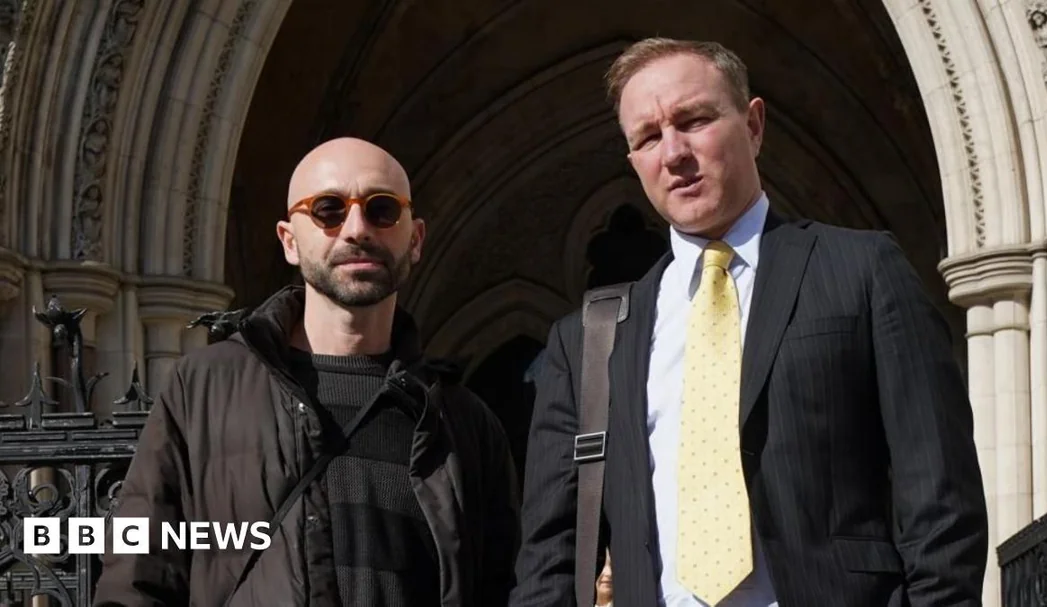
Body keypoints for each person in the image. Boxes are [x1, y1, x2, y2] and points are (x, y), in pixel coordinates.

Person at [510, 37, 988, 607]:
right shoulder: (589, 340)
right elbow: (548, 556)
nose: (673, 153)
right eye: (647, 137)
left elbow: (941, 497)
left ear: (754, 124)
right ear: (633, 159)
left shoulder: (861, 271)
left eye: (694, 120)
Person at [94, 137, 521, 606]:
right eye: (328, 209)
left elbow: (502, 587)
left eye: (381, 210)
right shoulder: (203, 389)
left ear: (414, 239)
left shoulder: (461, 420)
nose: (356, 229)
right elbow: (138, 571)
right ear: (289, 241)